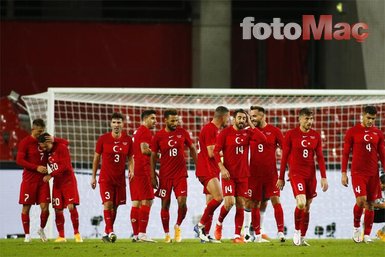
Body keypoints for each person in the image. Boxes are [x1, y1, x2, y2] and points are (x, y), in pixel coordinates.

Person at [213, 109, 266, 243]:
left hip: (243, 175)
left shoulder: (248, 133)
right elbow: (215, 151)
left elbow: (262, 139)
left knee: (241, 204)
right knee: (229, 202)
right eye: (240, 118)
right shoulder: (225, 133)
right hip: (228, 175)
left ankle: (237, 235)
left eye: (244, 118)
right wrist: (222, 168)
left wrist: (250, 124)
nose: (242, 120)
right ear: (234, 119)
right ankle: (219, 224)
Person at [277, 107, 328, 246]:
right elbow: (284, 157)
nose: (309, 121)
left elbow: (320, 157)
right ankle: (296, 231)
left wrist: (323, 177)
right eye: (307, 119)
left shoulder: (315, 135)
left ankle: (303, 237)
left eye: (311, 119)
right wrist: (281, 177)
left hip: (311, 175)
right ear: (300, 119)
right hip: (296, 174)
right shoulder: (291, 134)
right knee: (301, 203)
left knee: (307, 207)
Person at [16, 118, 67, 243]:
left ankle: (41, 229)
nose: (41, 134)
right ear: (33, 129)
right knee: (26, 208)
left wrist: (54, 139)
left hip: (42, 181)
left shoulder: (45, 139)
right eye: (39, 131)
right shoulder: (25, 142)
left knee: (45, 208)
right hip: (29, 181)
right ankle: (27, 235)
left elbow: (66, 143)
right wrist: (36, 167)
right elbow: (19, 160)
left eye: (42, 131)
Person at [150, 109, 197, 243]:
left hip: (180, 174)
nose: (175, 123)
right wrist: (152, 175)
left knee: (182, 203)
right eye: (172, 121)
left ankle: (177, 226)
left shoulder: (182, 133)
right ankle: (166, 234)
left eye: (177, 120)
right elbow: (153, 156)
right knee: (165, 205)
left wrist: (198, 165)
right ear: (165, 120)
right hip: (165, 175)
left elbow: (192, 148)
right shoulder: (158, 136)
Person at [341, 105, 385, 243]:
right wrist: (343, 173)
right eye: (368, 118)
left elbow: (382, 154)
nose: (371, 121)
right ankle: (356, 228)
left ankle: (366, 235)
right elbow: (346, 153)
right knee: (361, 200)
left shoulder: (378, 133)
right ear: (363, 115)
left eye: (373, 118)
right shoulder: (352, 132)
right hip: (358, 172)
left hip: (373, 173)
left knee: (371, 204)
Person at [244, 106, 285, 243]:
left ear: (263, 116)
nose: (252, 119)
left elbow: (286, 150)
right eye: (250, 116)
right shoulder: (249, 132)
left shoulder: (275, 131)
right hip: (254, 175)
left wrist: (285, 173)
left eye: (254, 116)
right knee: (254, 203)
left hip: (271, 174)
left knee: (275, 200)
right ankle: (256, 235)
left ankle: (280, 232)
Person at [91, 112, 134, 243]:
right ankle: (110, 231)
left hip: (120, 179)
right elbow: (96, 158)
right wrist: (93, 177)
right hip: (106, 178)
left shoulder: (127, 140)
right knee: (107, 203)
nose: (116, 125)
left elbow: (130, 157)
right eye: (114, 122)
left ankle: (107, 232)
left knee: (115, 206)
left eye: (119, 122)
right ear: (111, 124)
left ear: (123, 124)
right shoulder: (103, 139)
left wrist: (131, 170)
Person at [194, 106, 230, 243]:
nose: (229, 119)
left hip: (211, 168)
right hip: (207, 169)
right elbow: (210, 153)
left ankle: (205, 235)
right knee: (219, 198)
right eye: (228, 117)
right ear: (223, 117)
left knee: (211, 203)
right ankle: (200, 226)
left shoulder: (213, 129)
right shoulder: (210, 129)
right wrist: (227, 152)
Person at [38, 133, 82, 243]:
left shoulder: (61, 148)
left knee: (71, 207)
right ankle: (61, 236)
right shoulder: (47, 153)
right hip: (57, 183)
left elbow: (65, 166)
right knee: (58, 209)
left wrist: (50, 175)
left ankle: (77, 234)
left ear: (49, 142)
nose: (43, 148)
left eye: (44, 146)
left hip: (68, 182)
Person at [130, 110, 157, 243]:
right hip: (143, 170)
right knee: (147, 201)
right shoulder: (145, 131)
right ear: (145, 118)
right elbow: (144, 150)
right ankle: (142, 233)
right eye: (152, 118)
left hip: (136, 170)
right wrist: (159, 153)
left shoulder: (137, 131)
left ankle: (136, 234)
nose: (155, 121)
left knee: (137, 202)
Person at [374, 174, 385, 242]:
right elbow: (365, 204)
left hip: (380, 213)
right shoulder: (371, 189)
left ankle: (381, 233)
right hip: (370, 213)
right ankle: (363, 235)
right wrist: (382, 206)